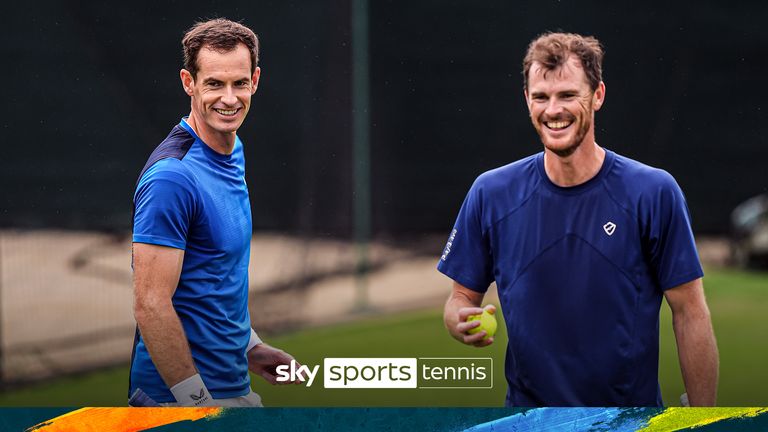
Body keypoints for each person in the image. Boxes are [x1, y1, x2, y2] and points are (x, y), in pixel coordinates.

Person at [439, 32, 719, 407]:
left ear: (598, 95)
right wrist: (459, 320)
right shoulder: (491, 193)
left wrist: (702, 417)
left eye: (568, 95)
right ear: (527, 100)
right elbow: (459, 297)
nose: (553, 110)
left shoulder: (653, 192)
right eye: (541, 97)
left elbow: (690, 313)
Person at [129, 18, 299, 407]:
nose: (229, 98)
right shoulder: (172, 178)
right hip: (176, 402)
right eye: (214, 84)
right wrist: (198, 403)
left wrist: (250, 347)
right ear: (189, 83)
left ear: (255, 80)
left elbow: (213, 277)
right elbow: (151, 304)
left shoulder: (231, 148)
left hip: (230, 388)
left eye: (239, 83)